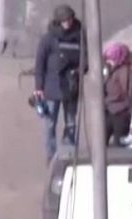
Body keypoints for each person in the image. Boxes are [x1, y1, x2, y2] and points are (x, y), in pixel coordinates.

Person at [33, 4, 83, 160]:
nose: (68, 22)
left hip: (71, 87)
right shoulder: (48, 39)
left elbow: (86, 60)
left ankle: (68, 155)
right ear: (58, 21)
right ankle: (52, 157)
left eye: (70, 19)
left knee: (70, 124)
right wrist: (38, 87)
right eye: (64, 20)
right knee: (49, 125)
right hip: (51, 88)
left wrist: (78, 70)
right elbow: (39, 64)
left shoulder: (80, 36)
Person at [103, 42, 132, 144]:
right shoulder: (109, 69)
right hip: (109, 110)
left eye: (110, 58)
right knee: (101, 140)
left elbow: (128, 92)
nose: (108, 61)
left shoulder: (125, 71)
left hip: (120, 112)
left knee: (119, 143)